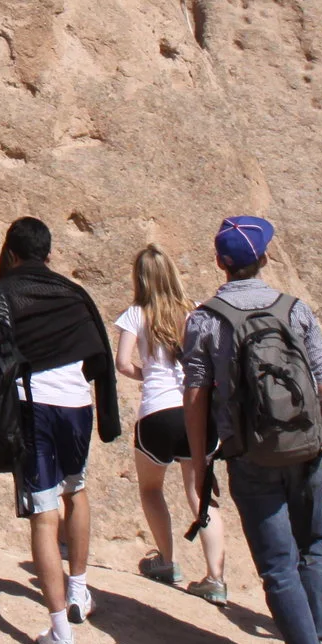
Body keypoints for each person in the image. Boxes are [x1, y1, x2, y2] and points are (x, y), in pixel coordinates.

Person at [181, 215, 322, 644]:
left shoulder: (205, 319)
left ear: (220, 263)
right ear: (266, 259)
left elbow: (195, 395)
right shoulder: (296, 312)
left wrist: (199, 461)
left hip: (249, 455)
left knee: (277, 565)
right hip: (305, 448)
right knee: (314, 546)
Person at [0, 215, 121, 644]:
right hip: (77, 404)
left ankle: (59, 633)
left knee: (42, 512)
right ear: (49, 253)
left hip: (33, 405)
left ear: (12, 254)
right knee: (76, 490)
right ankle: (79, 590)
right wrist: (107, 418)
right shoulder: (74, 293)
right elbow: (99, 354)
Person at [114, 242, 227, 604]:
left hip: (157, 414)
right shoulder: (194, 312)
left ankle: (165, 560)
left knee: (151, 488)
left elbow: (122, 362)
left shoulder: (136, 314)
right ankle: (215, 577)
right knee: (200, 494)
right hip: (196, 412)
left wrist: (146, 376)